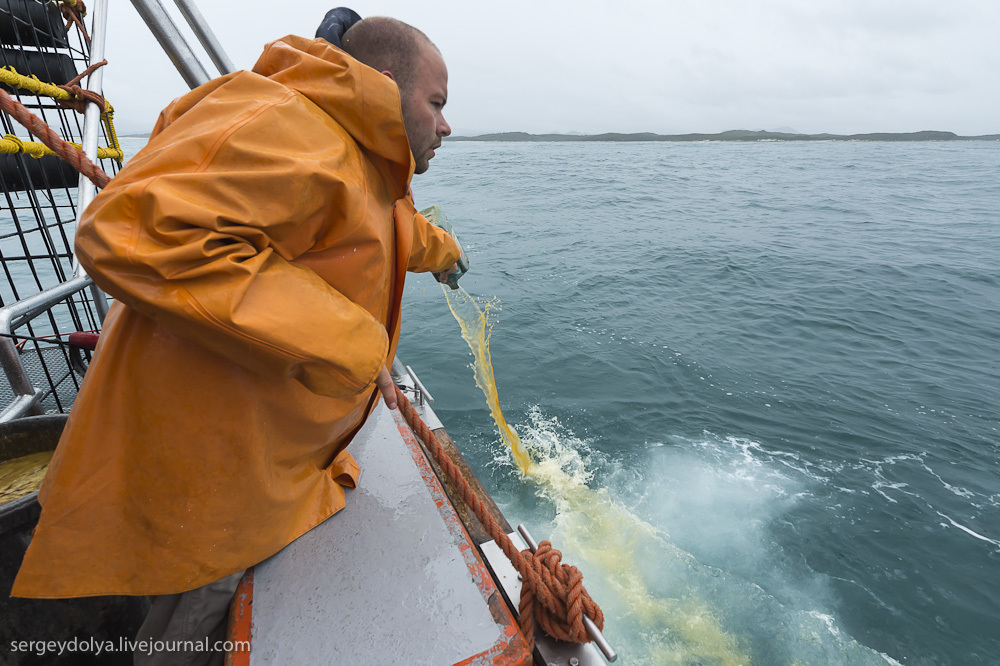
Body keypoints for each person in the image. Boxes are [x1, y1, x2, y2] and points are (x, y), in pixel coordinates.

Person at [11, 12, 458, 666]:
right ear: (386, 83)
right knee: (189, 624)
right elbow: (132, 230)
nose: (447, 124)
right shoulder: (291, 126)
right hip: (219, 479)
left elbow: (383, 225)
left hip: (269, 459)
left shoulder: (356, 154)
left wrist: (443, 253)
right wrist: (357, 343)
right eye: (437, 102)